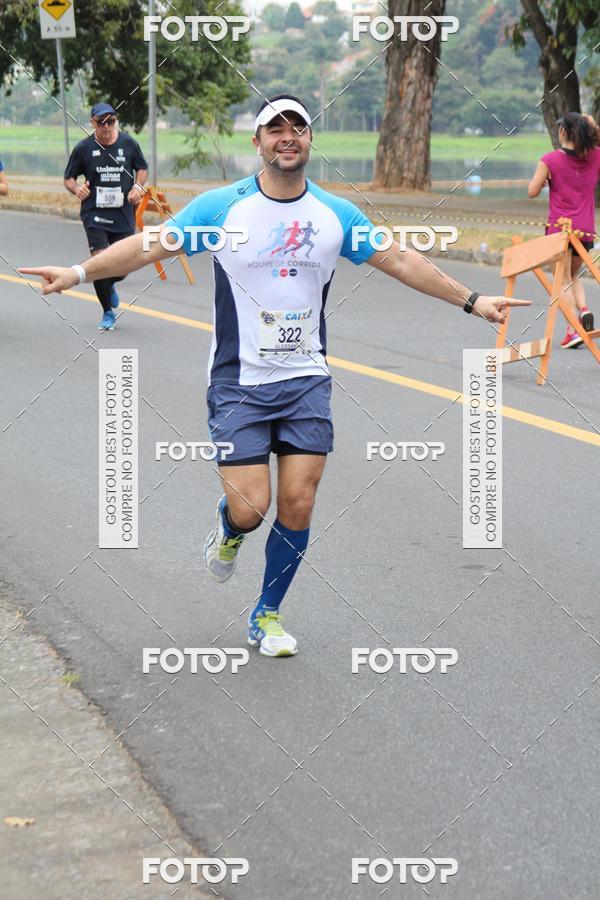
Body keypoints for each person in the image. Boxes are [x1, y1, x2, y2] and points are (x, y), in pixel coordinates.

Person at [19, 93, 530, 658]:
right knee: (251, 507)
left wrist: (472, 299)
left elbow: (402, 260)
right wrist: (76, 271)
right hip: (238, 383)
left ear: (310, 140)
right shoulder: (222, 210)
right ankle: (230, 526)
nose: (288, 137)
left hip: (307, 379)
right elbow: (146, 246)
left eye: (298, 128)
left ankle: (267, 614)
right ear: (257, 142)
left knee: (299, 502)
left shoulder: (335, 214)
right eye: (275, 129)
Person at [64, 102, 148, 331]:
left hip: (123, 214)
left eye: (110, 121)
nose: (106, 126)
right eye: (101, 122)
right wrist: (76, 189)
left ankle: (109, 284)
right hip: (95, 214)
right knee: (101, 261)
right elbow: (68, 178)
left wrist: (137, 188)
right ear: (92, 123)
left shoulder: (128, 144)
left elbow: (142, 168)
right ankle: (107, 313)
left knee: (123, 266)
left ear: (115, 121)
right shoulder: (83, 148)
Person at [528, 111, 600, 349]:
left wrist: (547, 178)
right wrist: (591, 123)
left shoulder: (549, 160)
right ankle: (585, 309)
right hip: (586, 229)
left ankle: (572, 329)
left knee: (561, 280)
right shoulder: (596, 156)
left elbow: (532, 191)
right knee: (574, 276)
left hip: (559, 230)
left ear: (562, 132)